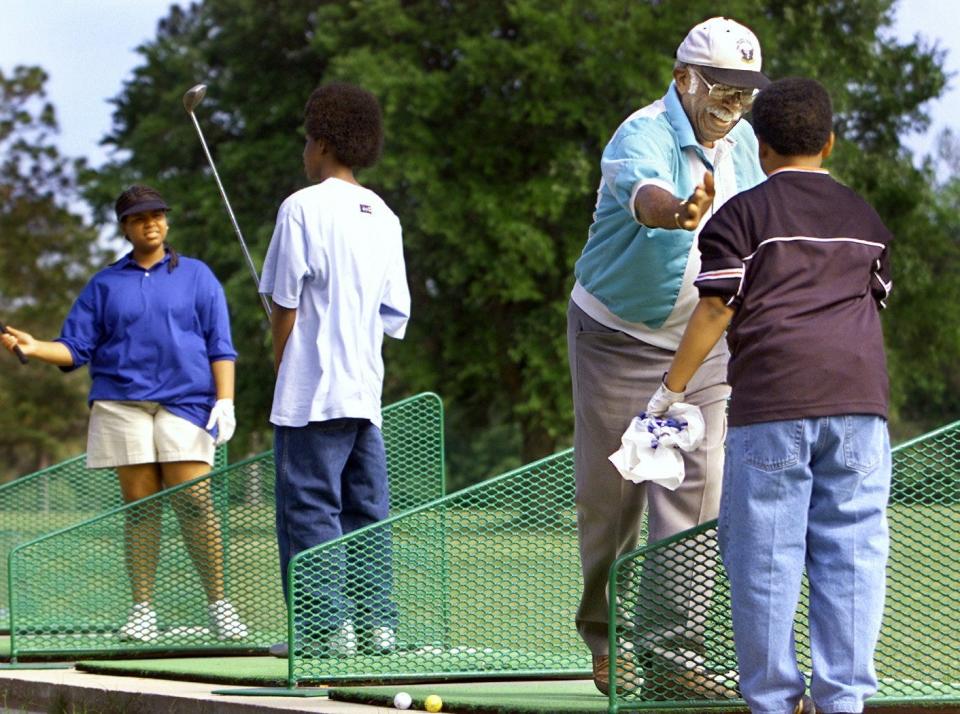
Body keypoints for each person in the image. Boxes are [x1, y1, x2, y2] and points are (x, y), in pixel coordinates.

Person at [648, 77, 892, 714]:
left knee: (766, 562)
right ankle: (844, 703)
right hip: (862, 412)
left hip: (774, 408)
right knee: (853, 558)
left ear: (758, 145)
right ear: (830, 143)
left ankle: (774, 702)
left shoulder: (741, 216)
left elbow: (713, 307)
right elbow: (873, 300)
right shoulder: (866, 219)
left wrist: (669, 392)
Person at [567, 16, 769, 697]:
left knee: (697, 487)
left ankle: (675, 655)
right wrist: (680, 210)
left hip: (702, 345)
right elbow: (643, 196)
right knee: (615, 495)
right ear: (684, 78)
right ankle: (607, 638)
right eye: (720, 88)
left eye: (744, 92)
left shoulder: (740, 143)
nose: (731, 105)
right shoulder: (644, 132)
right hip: (616, 339)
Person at [0, 185, 247, 643]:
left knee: (194, 501)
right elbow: (75, 348)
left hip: (187, 400)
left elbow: (220, 345)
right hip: (121, 402)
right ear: (125, 228)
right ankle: (143, 610)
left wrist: (225, 400)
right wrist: (35, 348)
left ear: (166, 222)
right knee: (141, 509)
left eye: (157, 214)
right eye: (139, 218)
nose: (150, 222)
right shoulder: (105, 283)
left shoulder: (197, 276)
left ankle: (219, 604)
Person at [259, 81, 410, 658]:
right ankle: (378, 627)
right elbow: (394, 314)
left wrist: (280, 367)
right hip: (364, 392)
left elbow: (284, 306)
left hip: (310, 391)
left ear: (321, 144)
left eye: (305, 143)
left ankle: (325, 631)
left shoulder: (300, 207)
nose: (304, 154)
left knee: (309, 507)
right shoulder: (386, 216)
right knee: (366, 511)